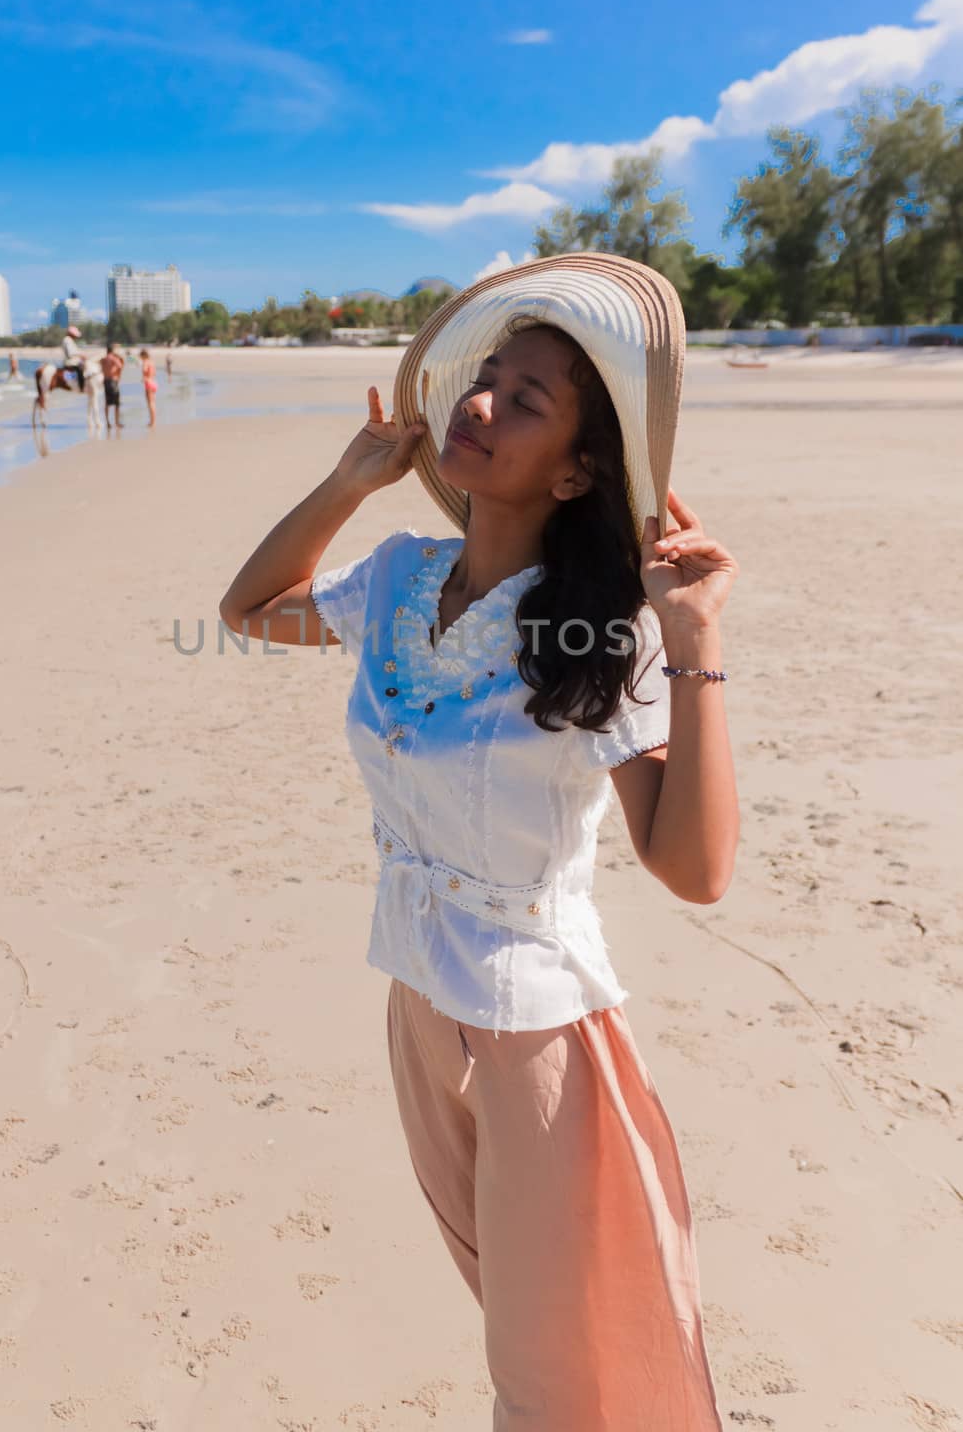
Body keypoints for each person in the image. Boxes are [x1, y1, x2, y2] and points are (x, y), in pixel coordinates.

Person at [219, 254, 739, 1428]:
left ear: (578, 470)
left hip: (538, 1036)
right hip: (414, 1005)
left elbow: (694, 871)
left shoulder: (599, 628)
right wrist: (347, 483)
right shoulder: (397, 579)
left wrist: (694, 637)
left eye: (524, 397)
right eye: (483, 377)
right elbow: (247, 611)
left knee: (547, 1375)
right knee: (510, 1322)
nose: (478, 403)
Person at [99, 341, 124, 430]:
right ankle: (117, 422)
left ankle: (108, 422)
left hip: (105, 381)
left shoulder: (103, 359)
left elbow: (100, 368)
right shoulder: (113, 358)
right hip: (113, 381)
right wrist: (117, 374)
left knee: (107, 402)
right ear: (112, 351)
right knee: (116, 403)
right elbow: (120, 366)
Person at [61, 324, 86, 391]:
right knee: (80, 370)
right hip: (70, 362)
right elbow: (70, 353)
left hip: (72, 360)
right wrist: (80, 355)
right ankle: (81, 387)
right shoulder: (67, 340)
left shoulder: (68, 340)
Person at [140, 347, 158, 428]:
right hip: (154, 382)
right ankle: (153, 421)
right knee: (153, 403)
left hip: (148, 383)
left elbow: (145, 370)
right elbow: (154, 373)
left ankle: (152, 422)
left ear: (143, 355)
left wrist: (144, 377)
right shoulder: (152, 362)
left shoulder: (145, 362)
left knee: (150, 403)